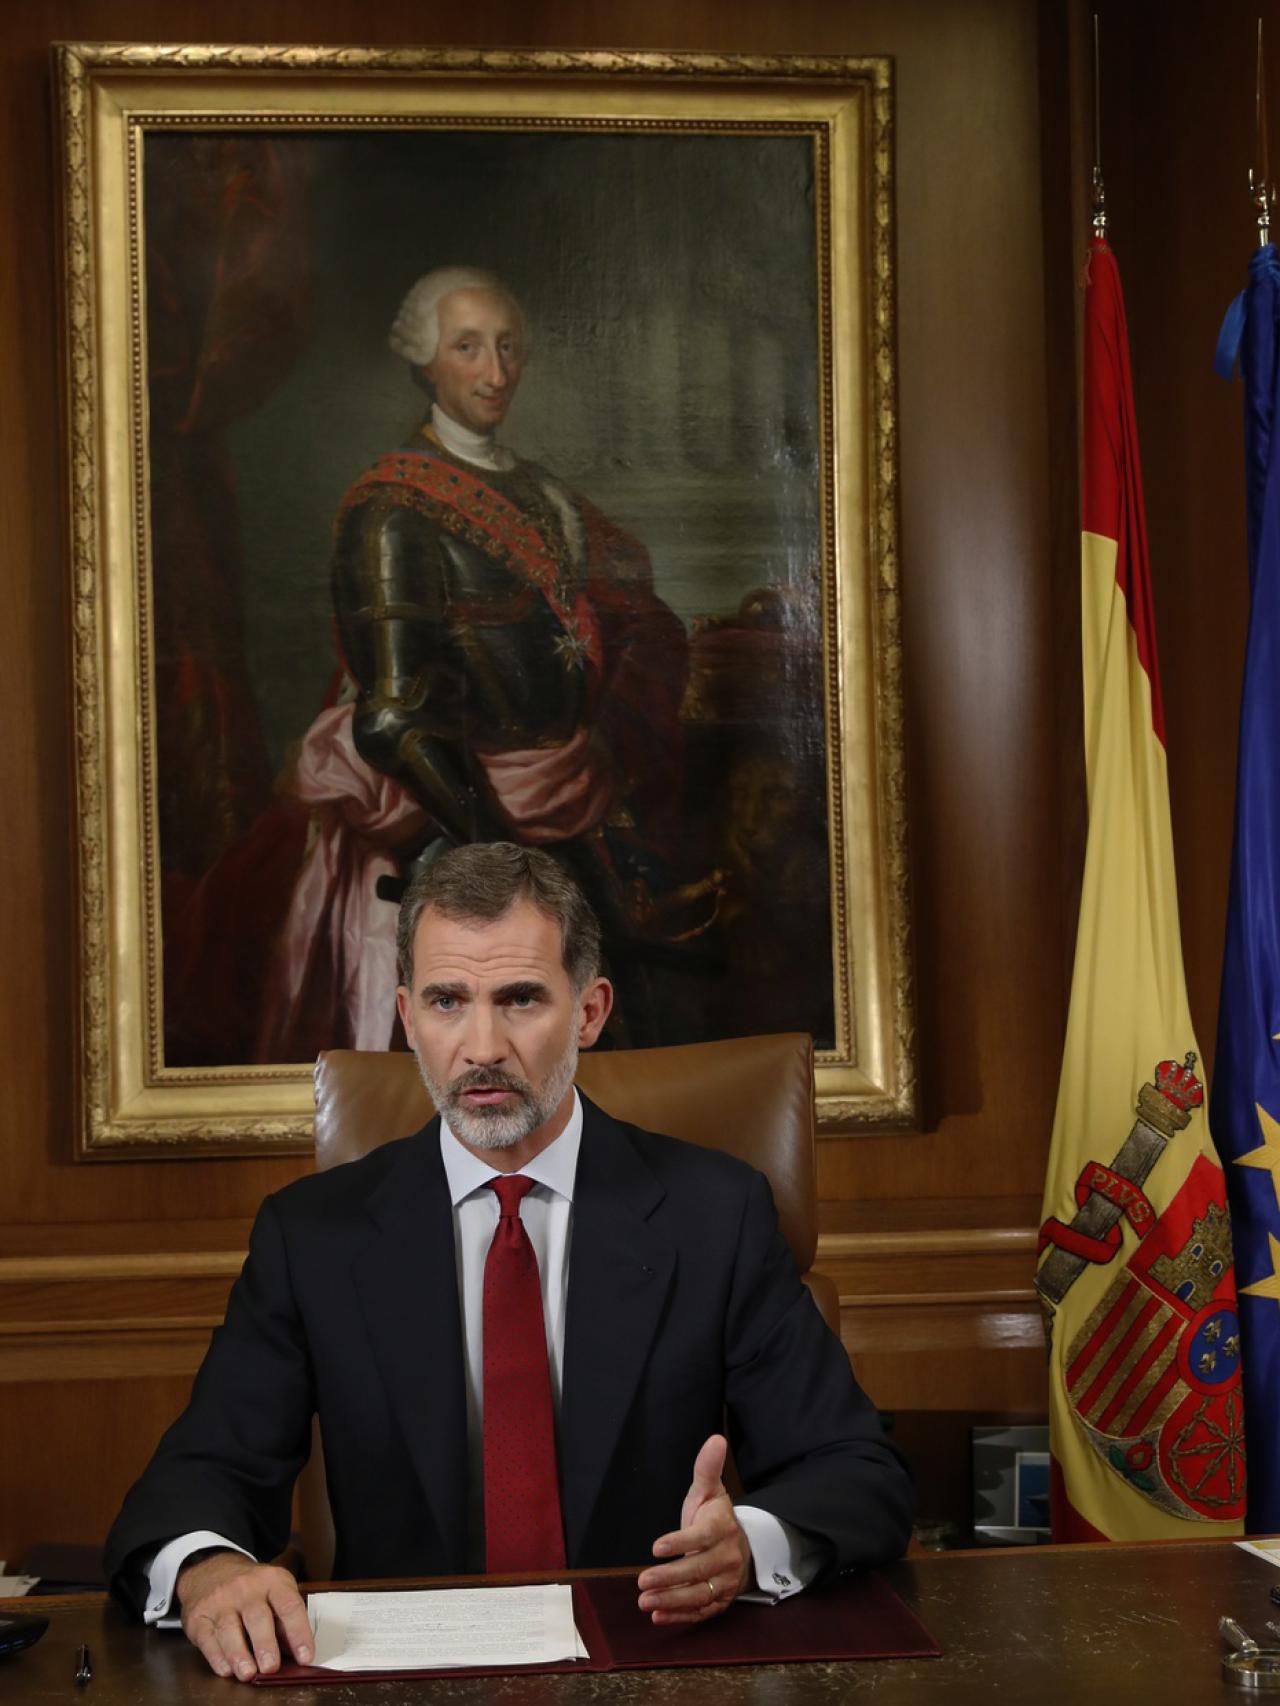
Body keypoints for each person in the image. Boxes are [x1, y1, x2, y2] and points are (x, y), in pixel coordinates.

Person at [105, 843, 913, 1682]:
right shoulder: (314, 1235)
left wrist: (750, 1541)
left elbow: (858, 1472)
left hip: (649, 1667)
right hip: (402, 1685)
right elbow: (202, 1474)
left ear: (591, 1012)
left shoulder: (714, 1215)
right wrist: (210, 1569)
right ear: (408, 1016)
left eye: (520, 999)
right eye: (448, 1001)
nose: (481, 1045)